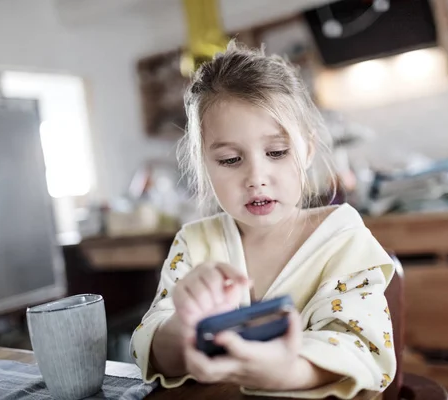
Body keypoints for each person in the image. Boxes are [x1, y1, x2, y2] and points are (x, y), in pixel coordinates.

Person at [130, 40, 396, 399]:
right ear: (203, 165)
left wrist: (286, 372)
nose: (256, 177)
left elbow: (362, 348)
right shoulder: (194, 245)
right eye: (229, 160)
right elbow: (148, 342)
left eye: (276, 152)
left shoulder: (343, 239)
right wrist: (185, 329)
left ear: (307, 149)